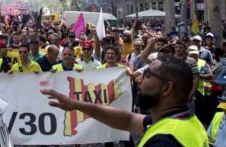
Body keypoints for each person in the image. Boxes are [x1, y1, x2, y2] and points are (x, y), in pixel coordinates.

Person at [42, 57, 208, 146]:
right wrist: (75, 104)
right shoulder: (184, 120)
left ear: (167, 88)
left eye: (148, 75)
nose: (138, 80)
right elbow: (128, 120)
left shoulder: (165, 141)